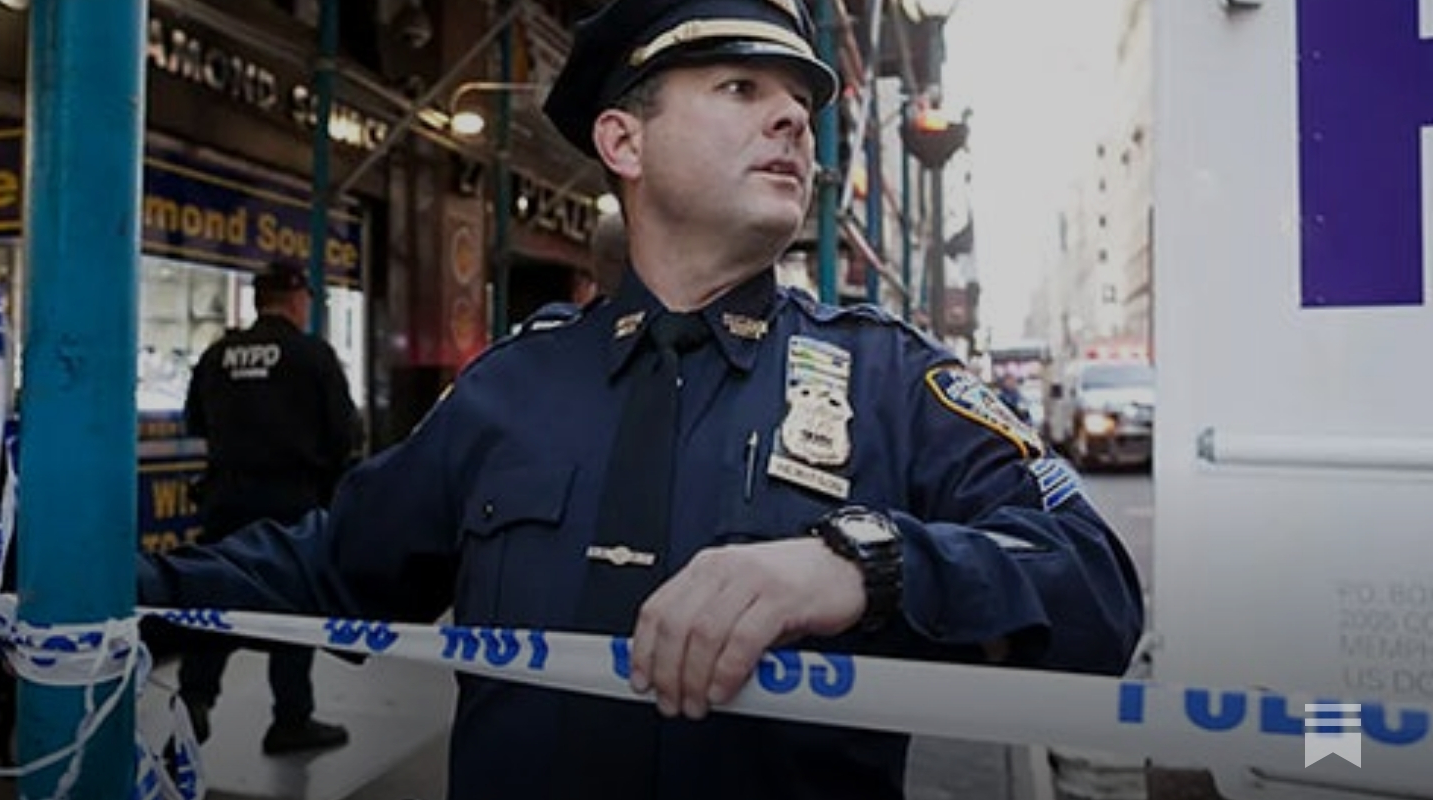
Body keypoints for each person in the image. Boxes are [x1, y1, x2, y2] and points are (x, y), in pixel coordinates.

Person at [140, 1, 1143, 797]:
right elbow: (335, 561)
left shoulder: (891, 377)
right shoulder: (509, 383)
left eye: (799, 97)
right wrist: (116, 592)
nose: (794, 116)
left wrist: (863, 562)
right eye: (741, 87)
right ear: (622, 140)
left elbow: (1092, 590)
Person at [176, 261, 363, 755]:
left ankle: (194, 698)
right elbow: (345, 433)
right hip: (290, 500)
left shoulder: (218, 355)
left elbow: (193, 420)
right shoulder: (311, 355)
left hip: (226, 496)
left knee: (212, 596)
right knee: (292, 604)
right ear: (297, 299)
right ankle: (291, 718)